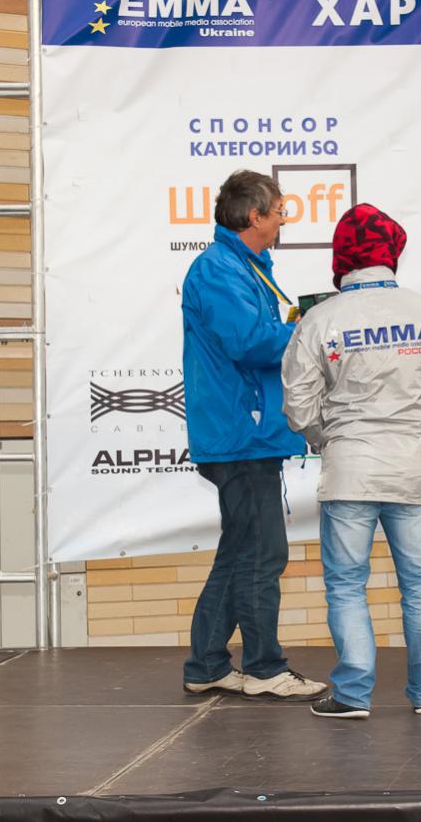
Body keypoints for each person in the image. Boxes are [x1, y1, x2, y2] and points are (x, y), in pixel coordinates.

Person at [283, 204, 421, 718]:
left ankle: (353, 695)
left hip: (348, 471)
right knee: (420, 586)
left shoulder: (319, 319)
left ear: (341, 257)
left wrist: (329, 439)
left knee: (347, 586)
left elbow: (298, 408)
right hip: (410, 471)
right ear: (392, 252)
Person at [180, 169, 326, 701]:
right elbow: (250, 342)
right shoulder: (220, 268)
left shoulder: (243, 266)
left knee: (241, 550)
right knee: (263, 554)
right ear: (253, 216)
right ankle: (264, 667)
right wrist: (309, 329)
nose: (283, 221)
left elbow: (260, 336)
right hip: (240, 432)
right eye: (279, 212)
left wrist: (296, 324)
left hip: (248, 432)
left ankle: (207, 664)